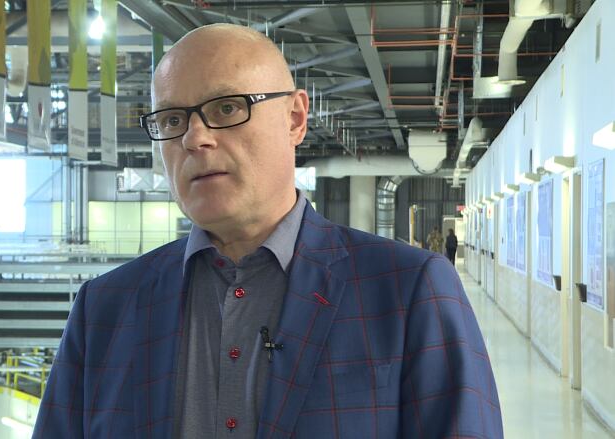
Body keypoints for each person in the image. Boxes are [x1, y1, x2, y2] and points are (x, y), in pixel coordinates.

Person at [33, 24, 502, 438]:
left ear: (295, 118)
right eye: (172, 120)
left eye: (227, 107)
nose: (195, 138)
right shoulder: (105, 309)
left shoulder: (406, 290)